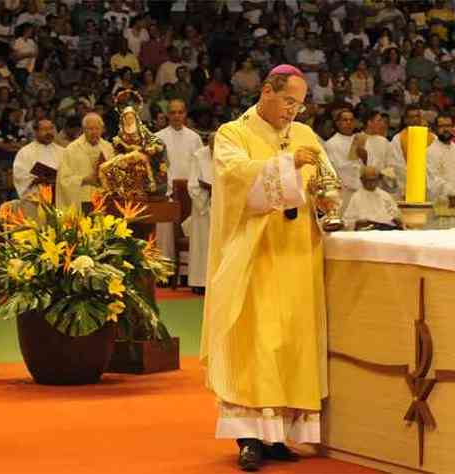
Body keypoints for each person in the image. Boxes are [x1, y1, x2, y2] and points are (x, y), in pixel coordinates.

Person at [200, 65, 336, 472]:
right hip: (254, 254)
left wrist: (327, 196)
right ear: (266, 91)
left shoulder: (306, 134)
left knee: (291, 340)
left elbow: (325, 179)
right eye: (288, 101)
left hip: (297, 253)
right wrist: (287, 165)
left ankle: (280, 435)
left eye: (300, 103)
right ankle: (250, 437)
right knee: (256, 341)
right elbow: (234, 179)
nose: (293, 111)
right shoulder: (233, 134)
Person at [154, 99, 203, 262]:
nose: (176, 116)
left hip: (189, 193)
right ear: (168, 115)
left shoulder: (194, 138)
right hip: (166, 193)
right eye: (173, 112)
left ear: (185, 114)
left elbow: (200, 167)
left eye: (180, 112)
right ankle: (164, 268)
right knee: (164, 231)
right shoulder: (157, 138)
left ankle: (186, 271)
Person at [56, 112, 114, 209]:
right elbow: (63, 180)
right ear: (83, 130)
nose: (94, 132)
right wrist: (84, 179)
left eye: (97, 129)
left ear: (102, 130)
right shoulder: (72, 149)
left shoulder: (108, 148)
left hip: (104, 198)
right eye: (90, 129)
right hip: (83, 199)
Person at [184, 132, 214, 294]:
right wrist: (209, 192)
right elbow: (193, 185)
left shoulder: (226, 154)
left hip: (222, 206)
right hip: (203, 208)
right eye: (212, 146)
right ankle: (199, 281)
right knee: (202, 244)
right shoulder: (198, 156)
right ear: (208, 144)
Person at [13, 119, 62, 200]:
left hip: (58, 196)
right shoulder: (25, 152)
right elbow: (19, 175)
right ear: (36, 132)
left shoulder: (62, 151)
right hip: (34, 197)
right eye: (45, 129)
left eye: (51, 129)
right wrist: (37, 179)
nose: (49, 132)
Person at [343, 166, 403, 230]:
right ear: (362, 180)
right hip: (366, 231)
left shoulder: (384, 195)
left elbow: (396, 214)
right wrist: (357, 223)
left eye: (374, 180)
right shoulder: (356, 197)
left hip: (386, 229)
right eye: (369, 180)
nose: (372, 183)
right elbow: (347, 221)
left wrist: (396, 219)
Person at [324, 108, 358, 207]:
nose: (349, 123)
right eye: (345, 120)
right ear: (338, 123)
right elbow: (336, 168)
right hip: (343, 190)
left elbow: (363, 165)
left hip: (360, 188)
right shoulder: (332, 143)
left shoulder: (358, 139)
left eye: (351, 120)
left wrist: (364, 157)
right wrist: (354, 164)